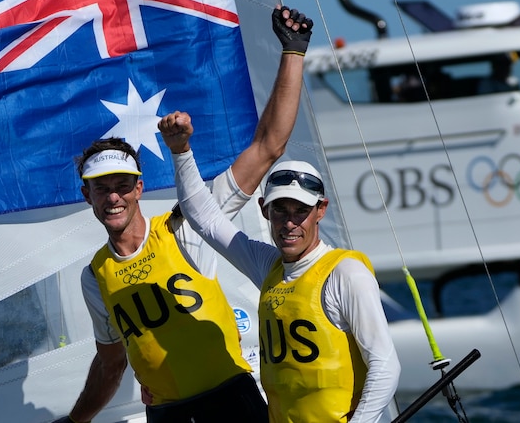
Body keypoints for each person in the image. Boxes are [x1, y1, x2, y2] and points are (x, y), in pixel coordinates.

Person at [53, 5, 314, 423]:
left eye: (123, 186)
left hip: (230, 402)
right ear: (87, 195)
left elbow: (268, 146)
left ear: (139, 188)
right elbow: (110, 365)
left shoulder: (185, 225)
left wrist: (293, 52)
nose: (113, 198)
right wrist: (74, 420)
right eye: (102, 189)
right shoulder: (94, 276)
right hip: (167, 416)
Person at [159, 112, 401, 422]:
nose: (289, 223)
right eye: (280, 211)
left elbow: (385, 364)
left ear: (320, 210)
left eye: (300, 211)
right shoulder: (268, 266)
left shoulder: (345, 274)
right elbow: (205, 220)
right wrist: (180, 151)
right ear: (264, 210)